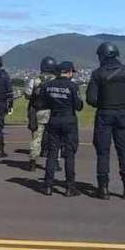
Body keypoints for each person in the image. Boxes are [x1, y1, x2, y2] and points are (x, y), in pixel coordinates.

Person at [86, 42, 125, 200]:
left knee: (103, 152)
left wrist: (104, 103)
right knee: (124, 152)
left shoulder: (97, 74)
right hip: (123, 115)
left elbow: (91, 99)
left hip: (104, 115)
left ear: (102, 56)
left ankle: (103, 189)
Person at [42, 62, 84, 196]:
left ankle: (48, 185)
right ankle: (69, 187)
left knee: (52, 153)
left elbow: (42, 102)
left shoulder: (47, 85)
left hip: (53, 119)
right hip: (68, 120)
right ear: (69, 72)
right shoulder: (72, 86)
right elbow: (78, 106)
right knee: (69, 154)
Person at [25, 56, 57, 172]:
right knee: (54, 138)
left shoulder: (35, 80)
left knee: (36, 138)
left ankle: (32, 162)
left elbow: (27, 94)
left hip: (38, 112)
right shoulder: (57, 81)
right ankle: (55, 162)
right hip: (54, 113)